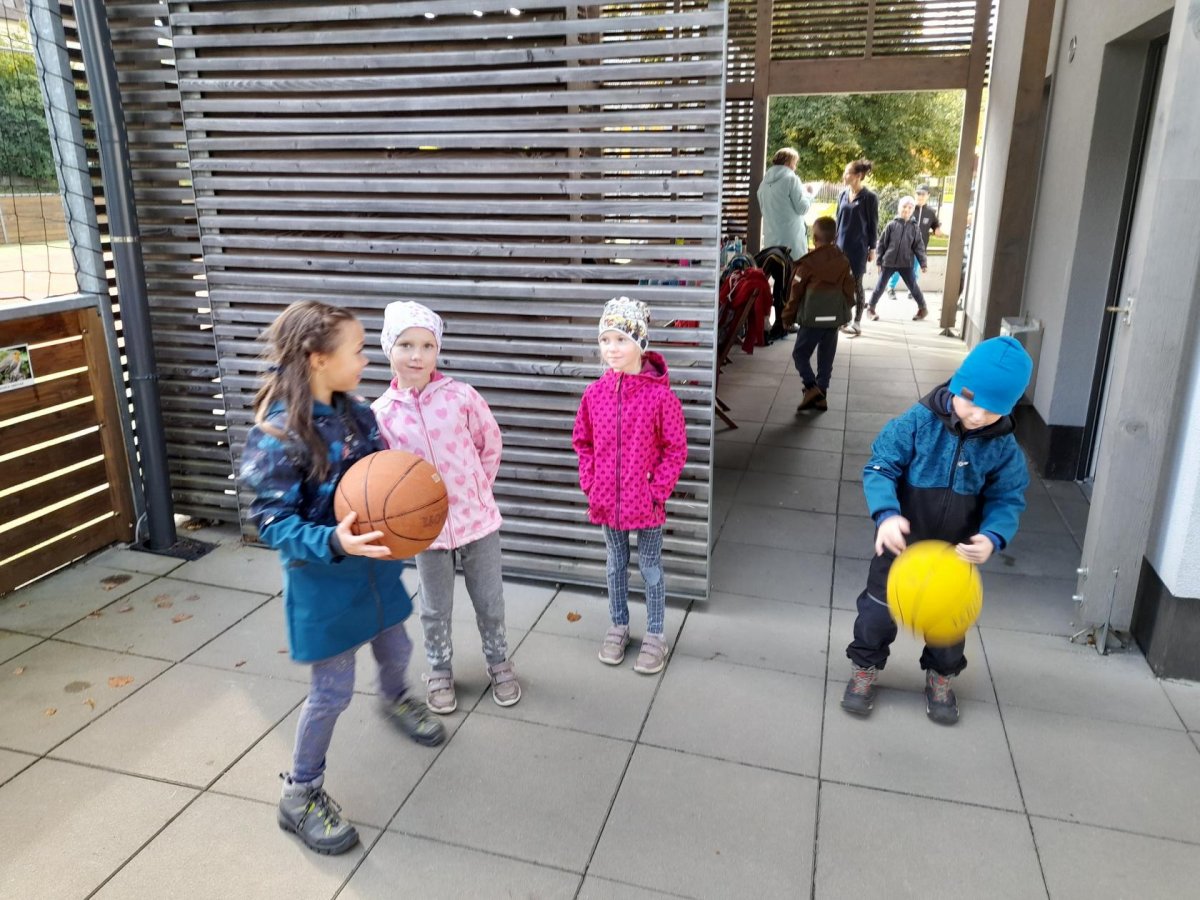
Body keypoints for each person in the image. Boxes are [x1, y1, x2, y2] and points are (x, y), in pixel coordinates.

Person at [239, 300, 445, 857]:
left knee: (398, 645)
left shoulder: (359, 415)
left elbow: (383, 479)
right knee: (331, 692)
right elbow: (271, 521)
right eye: (356, 351)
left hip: (374, 568)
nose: (365, 361)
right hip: (325, 582)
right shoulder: (280, 432)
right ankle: (300, 793)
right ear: (317, 358)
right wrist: (333, 540)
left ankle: (396, 698)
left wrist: (412, 499)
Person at [841, 336, 1033, 725]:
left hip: (954, 555)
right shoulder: (918, 422)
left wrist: (992, 536)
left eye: (992, 410)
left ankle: (941, 677)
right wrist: (886, 514)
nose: (977, 415)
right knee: (876, 614)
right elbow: (881, 465)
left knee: (949, 624)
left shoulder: (1003, 448)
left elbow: (1008, 496)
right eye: (971, 402)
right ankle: (864, 668)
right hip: (900, 547)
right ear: (957, 385)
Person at [372, 301, 521, 714]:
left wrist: (477, 491)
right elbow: (384, 476)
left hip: (478, 523)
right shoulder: (382, 415)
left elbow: (489, 443)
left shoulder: (461, 396)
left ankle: (498, 661)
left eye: (426, 346)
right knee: (434, 608)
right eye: (405, 345)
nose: (416, 355)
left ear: (437, 350)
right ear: (388, 349)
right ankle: (439, 669)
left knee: (490, 601)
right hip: (427, 533)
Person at [573, 297, 688, 674]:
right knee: (615, 564)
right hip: (607, 501)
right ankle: (618, 625)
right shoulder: (594, 395)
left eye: (621, 339)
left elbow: (676, 448)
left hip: (647, 503)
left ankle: (655, 633)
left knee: (651, 567)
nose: (611, 348)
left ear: (641, 343)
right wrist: (591, 482)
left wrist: (658, 490)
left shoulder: (660, 397)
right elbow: (583, 442)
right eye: (605, 340)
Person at [781, 216, 856, 412]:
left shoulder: (808, 264)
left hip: (811, 320)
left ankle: (811, 387)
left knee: (800, 354)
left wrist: (787, 316)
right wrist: (843, 311)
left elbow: (795, 293)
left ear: (814, 238)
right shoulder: (843, 261)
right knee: (826, 358)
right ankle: (822, 395)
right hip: (832, 321)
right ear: (835, 237)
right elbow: (850, 290)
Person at [864, 196, 930, 321]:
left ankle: (923, 308)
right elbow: (882, 244)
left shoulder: (914, 228)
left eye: (910, 208)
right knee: (880, 286)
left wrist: (923, 263)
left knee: (913, 286)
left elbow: (919, 247)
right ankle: (871, 309)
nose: (907, 210)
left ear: (912, 210)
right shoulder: (891, 225)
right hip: (888, 262)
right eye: (904, 207)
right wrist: (879, 261)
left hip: (906, 263)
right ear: (899, 208)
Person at [835, 159, 879, 336]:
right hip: (840, 247)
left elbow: (873, 225)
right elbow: (838, 221)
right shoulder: (842, 195)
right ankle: (843, 318)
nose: (844, 176)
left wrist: (872, 248)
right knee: (841, 285)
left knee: (856, 285)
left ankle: (857, 321)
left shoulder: (869, 198)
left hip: (859, 248)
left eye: (848, 172)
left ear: (858, 175)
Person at [886, 185, 943, 301]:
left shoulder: (931, 212)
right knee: (897, 269)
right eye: (918, 194)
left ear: (928, 196)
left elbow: (935, 225)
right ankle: (890, 288)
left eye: (923, 194)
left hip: (919, 248)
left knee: (915, 270)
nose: (920, 196)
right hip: (904, 247)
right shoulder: (909, 208)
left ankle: (911, 290)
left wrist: (937, 229)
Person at [757, 147, 814, 260]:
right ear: (788, 162)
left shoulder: (763, 185)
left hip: (771, 241)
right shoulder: (791, 179)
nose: (795, 167)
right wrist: (809, 195)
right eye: (795, 163)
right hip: (791, 241)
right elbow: (802, 208)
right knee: (794, 270)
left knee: (776, 268)